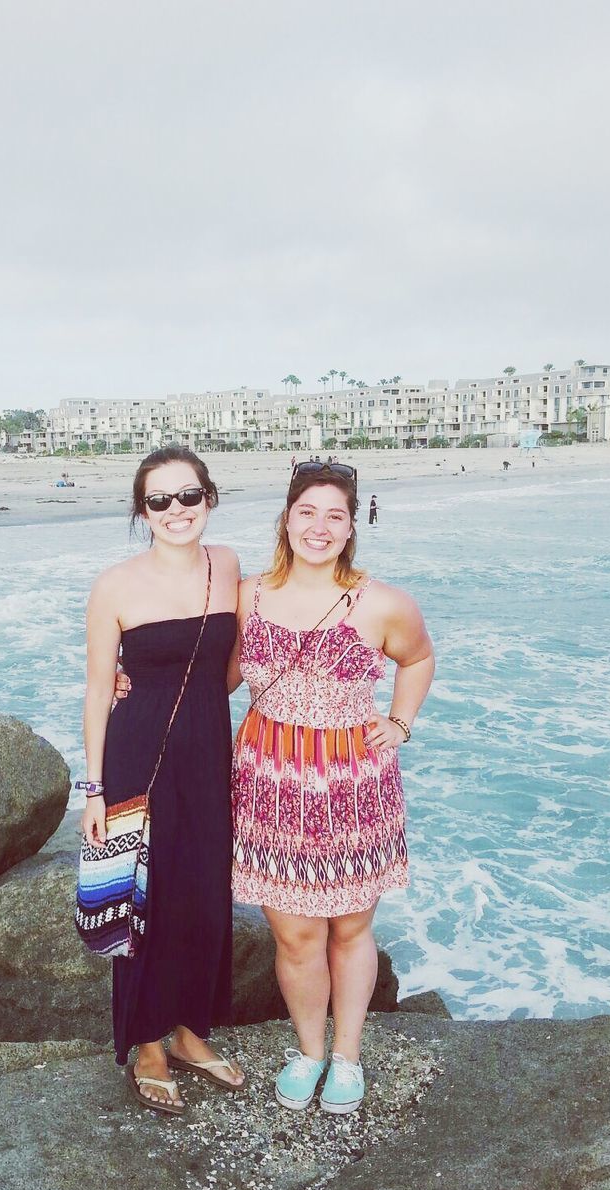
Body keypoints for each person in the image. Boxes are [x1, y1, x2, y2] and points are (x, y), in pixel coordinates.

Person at [231, 461, 435, 1114]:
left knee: (350, 928)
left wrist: (400, 721)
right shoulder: (247, 595)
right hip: (269, 782)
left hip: (352, 785)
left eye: (334, 516)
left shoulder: (383, 602)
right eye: (307, 512)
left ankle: (346, 1055)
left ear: (351, 527)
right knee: (295, 936)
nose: (318, 528)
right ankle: (309, 1050)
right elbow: (219, 679)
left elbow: (419, 657)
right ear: (286, 518)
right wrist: (134, 685)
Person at [81, 446, 245, 1115]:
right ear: (141, 511)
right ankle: (147, 1044)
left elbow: (231, 665)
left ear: (209, 497)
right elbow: (97, 690)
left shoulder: (230, 566)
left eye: (189, 496)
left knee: (205, 891)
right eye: (160, 500)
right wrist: (91, 790)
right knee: (142, 903)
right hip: (136, 752)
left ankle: (189, 1032)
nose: (176, 511)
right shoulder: (115, 584)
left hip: (207, 749)